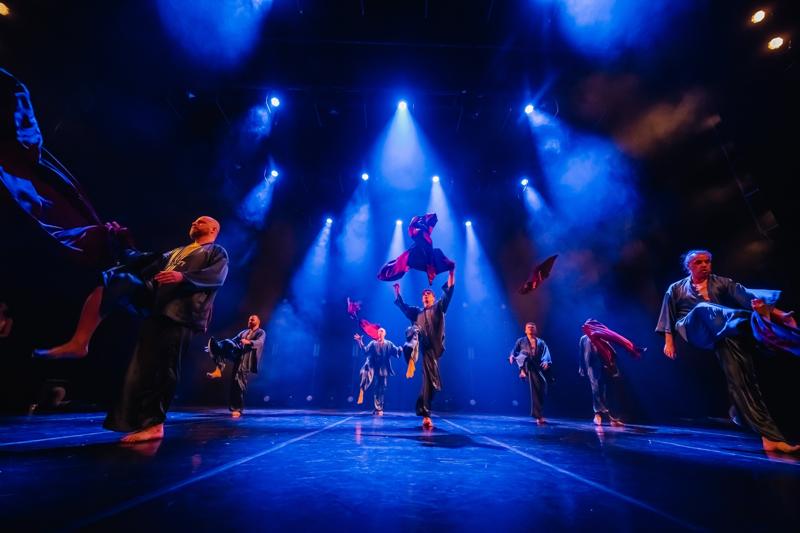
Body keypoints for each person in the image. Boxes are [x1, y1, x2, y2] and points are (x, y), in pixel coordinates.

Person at [34, 216, 228, 443]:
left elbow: (216, 276)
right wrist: (121, 238)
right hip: (158, 308)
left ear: (213, 228)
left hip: (181, 314)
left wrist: (182, 276)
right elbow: (139, 260)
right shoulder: (176, 252)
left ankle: (154, 424)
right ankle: (80, 342)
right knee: (117, 278)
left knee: (163, 368)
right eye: (194, 221)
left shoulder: (216, 252)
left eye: (201, 221)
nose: (194, 223)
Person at [656, 249, 799, 454]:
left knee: (744, 381)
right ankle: (752, 321)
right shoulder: (676, 288)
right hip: (693, 327)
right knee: (703, 308)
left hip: (723, 331)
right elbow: (668, 315)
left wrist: (780, 314)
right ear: (689, 266)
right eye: (698, 262)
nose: (704, 265)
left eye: (707, 261)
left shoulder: (722, 282)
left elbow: (747, 296)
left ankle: (768, 436)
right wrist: (669, 342)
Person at [393, 268, 455, 429]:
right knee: (414, 329)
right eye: (424, 294)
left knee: (430, 382)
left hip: (432, 349)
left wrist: (451, 272)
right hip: (419, 342)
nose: (426, 295)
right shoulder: (417, 312)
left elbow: (448, 292)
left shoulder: (439, 308)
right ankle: (410, 353)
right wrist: (397, 293)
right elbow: (404, 307)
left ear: (433, 297)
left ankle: (425, 412)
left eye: (428, 293)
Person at [206, 314, 265, 417]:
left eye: (252, 319)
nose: (250, 321)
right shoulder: (244, 332)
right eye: (249, 319)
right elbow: (233, 340)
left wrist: (249, 341)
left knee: (239, 383)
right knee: (226, 344)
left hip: (246, 360)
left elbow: (260, 342)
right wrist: (215, 348)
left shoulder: (261, 332)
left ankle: (237, 408)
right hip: (238, 357)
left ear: (258, 322)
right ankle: (218, 370)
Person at [508, 322, 552, 425]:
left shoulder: (541, 342)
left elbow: (546, 353)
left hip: (536, 365)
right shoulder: (521, 340)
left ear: (536, 330)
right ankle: (538, 416)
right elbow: (514, 351)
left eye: (533, 327)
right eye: (529, 327)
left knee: (542, 386)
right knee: (523, 354)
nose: (531, 328)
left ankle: (523, 372)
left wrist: (546, 361)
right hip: (526, 363)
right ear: (525, 330)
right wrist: (511, 356)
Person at [353, 327, 402, 415]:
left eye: (382, 331)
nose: (380, 332)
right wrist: (360, 341)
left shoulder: (389, 343)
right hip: (374, 368)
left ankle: (379, 407)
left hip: (383, 369)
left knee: (382, 388)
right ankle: (378, 408)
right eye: (379, 331)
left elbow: (396, 352)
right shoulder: (373, 343)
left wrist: (401, 349)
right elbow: (365, 351)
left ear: (385, 334)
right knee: (376, 387)